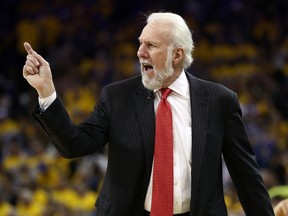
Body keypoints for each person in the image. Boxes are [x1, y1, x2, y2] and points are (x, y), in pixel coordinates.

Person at [22, 12, 275, 216]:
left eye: (151, 45)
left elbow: (246, 176)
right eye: (140, 43)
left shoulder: (220, 100)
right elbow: (74, 145)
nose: (140, 52)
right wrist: (46, 91)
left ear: (177, 55)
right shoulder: (116, 96)